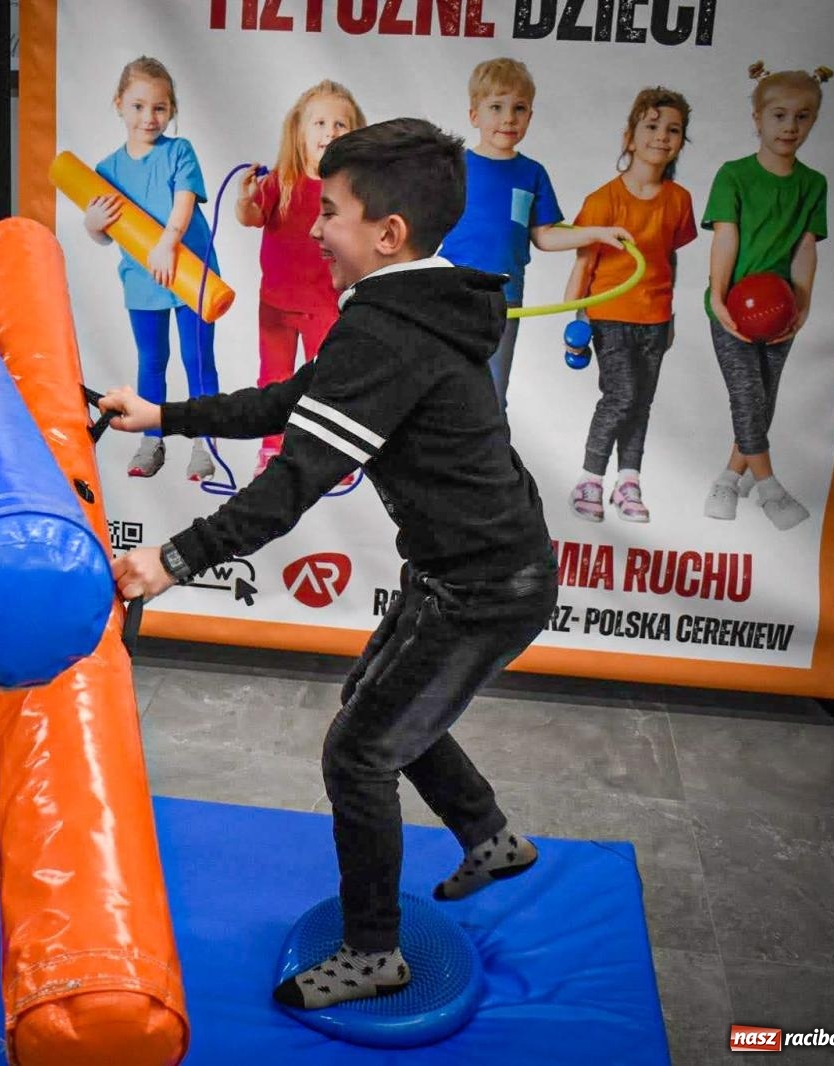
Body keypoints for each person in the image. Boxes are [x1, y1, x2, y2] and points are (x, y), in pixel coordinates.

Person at [100, 119, 557, 1008]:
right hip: (468, 571)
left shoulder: (388, 332)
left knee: (359, 753)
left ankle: (374, 953)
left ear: (388, 234)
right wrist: (164, 416)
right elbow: (290, 401)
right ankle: (488, 835)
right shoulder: (405, 311)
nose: (313, 228)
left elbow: (293, 482)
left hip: (485, 587)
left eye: (331, 212)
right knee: (374, 706)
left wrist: (172, 560)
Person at [438, 57, 629, 407]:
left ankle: (491, 442)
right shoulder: (454, 167)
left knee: (492, 393)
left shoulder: (532, 173)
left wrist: (596, 233)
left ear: (530, 116)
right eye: (496, 107)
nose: (509, 118)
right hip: (452, 293)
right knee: (446, 388)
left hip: (504, 296)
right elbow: (425, 226)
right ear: (474, 115)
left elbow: (544, 235)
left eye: (519, 108)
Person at [700, 62, 831, 531]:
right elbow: (726, 238)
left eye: (802, 116)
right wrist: (719, 299)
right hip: (734, 311)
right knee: (747, 396)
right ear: (757, 118)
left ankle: (728, 479)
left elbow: (805, 249)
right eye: (779, 115)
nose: (790, 126)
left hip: (781, 312)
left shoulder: (813, 184)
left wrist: (803, 305)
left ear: (813, 120)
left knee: (763, 401)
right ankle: (770, 487)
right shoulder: (734, 175)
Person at [564, 88, 697, 524]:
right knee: (620, 396)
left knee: (641, 402)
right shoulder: (603, 200)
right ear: (630, 138)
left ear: (680, 141)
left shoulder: (679, 200)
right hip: (610, 316)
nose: (662, 136)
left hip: (654, 319)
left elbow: (668, 257)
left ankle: (628, 482)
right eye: (652, 126)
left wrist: (669, 316)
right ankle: (589, 480)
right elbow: (585, 259)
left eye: (673, 130)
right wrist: (577, 317)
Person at [84, 55, 221, 481]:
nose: (149, 117)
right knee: (152, 359)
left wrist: (166, 244)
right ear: (119, 105)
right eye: (139, 106)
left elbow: (183, 203)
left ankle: (204, 441)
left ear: (172, 109)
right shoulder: (108, 170)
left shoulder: (179, 151)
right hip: (143, 279)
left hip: (190, 273)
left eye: (160, 108)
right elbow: (107, 235)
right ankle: (151, 440)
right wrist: (92, 225)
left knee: (197, 357)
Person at [237, 80, 365, 477]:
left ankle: (330, 453)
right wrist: (245, 199)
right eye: (320, 123)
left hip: (326, 305)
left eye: (340, 125)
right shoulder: (282, 180)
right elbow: (251, 217)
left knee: (329, 380)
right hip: (276, 304)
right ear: (300, 132)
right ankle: (272, 448)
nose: (330, 132)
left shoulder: (351, 189)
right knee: (274, 378)